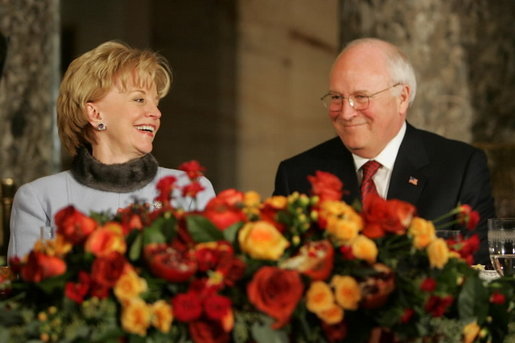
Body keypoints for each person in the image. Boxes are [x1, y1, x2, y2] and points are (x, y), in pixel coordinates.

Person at [273, 37, 495, 265]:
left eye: (361, 97)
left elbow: (479, 274)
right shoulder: (297, 175)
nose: (346, 113)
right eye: (337, 98)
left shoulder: (460, 169)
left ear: (402, 97)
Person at [8, 41, 215, 258]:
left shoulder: (191, 190)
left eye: (156, 103)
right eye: (139, 99)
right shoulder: (39, 198)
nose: (155, 112)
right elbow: (27, 287)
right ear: (95, 114)